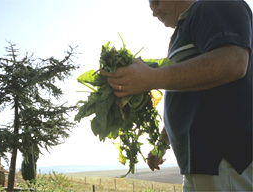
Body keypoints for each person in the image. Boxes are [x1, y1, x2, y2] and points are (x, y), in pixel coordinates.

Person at [102, 0, 252, 191]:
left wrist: (151, 77)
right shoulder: (180, 34)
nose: (154, 12)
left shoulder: (213, 5)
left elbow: (233, 62)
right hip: (197, 163)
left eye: (156, 2)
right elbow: (183, 97)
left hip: (224, 160)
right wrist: (162, 144)